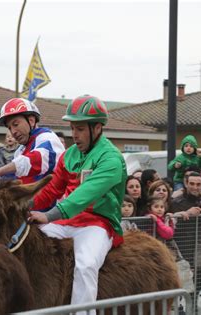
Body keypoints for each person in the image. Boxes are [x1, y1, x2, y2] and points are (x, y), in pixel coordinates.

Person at [29, 95, 126, 309]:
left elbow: (83, 195)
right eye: (73, 128)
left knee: (85, 265)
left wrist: (48, 215)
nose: (75, 135)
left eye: (80, 129)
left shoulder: (111, 158)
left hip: (97, 224)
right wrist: (25, 205)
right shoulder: (69, 155)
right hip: (66, 222)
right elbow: (52, 189)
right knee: (32, 247)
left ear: (97, 128)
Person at [0, 98, 64, 184]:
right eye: (9, 128)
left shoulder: (48, 138)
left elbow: (35, 160)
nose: (13, 132)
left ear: (31, 121)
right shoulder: (19, 151)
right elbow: (11, 177)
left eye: (16, 124)